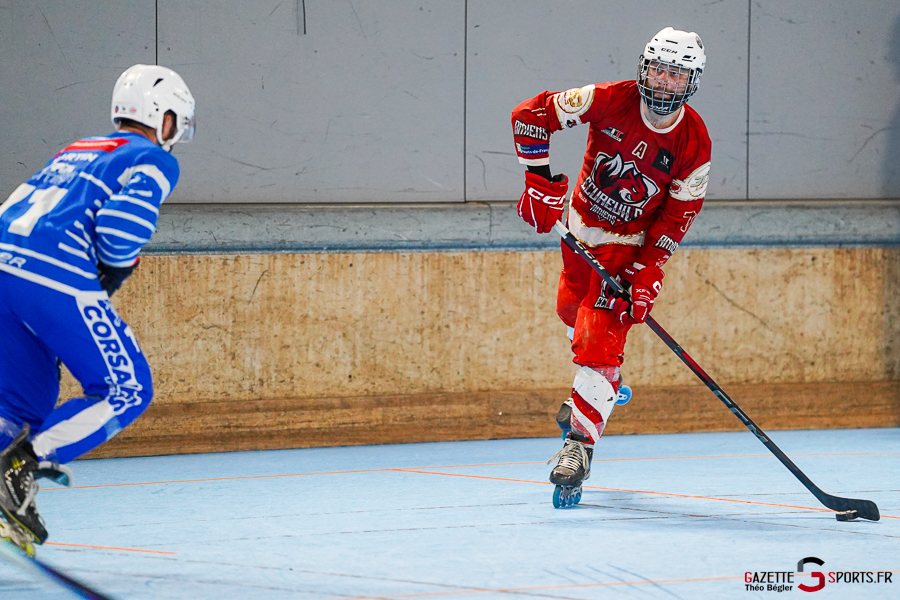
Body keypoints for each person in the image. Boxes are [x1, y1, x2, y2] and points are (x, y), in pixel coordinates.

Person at [510, 27, 711, 507]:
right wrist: (538, 182)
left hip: (624, 250)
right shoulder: (608, 99)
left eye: (676, 74)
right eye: (659, 70)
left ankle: (578, 446)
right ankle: (603, 388)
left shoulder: (694, 142)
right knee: (570, 313)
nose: (664, 83)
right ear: (644, 69)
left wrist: (648, 272)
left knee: (598, 336)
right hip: (578, 235)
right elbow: (530, 115)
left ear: (691, 81)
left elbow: (677, 216)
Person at [0, 64, 195, 554]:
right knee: (127, 388)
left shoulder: (79, 148)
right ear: (163, 118)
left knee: (22, 405)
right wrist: (112, 272)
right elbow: (118, 231)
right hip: (53, 277)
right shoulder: (153, 158)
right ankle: (19, 467)